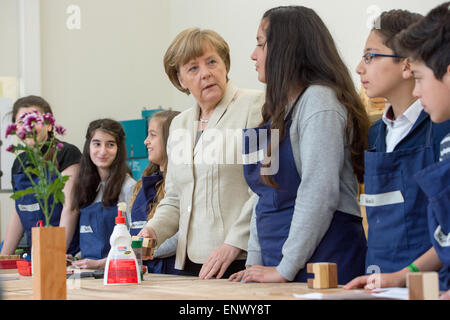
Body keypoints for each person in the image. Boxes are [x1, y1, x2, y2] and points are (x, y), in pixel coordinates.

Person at [229, 5, 370, 284]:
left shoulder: (320, 101)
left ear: (286, 48)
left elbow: (318, 191)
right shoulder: (276, 111)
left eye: (260, 44)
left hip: (323, 259)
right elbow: (262, 197)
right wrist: (255, 262)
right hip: (279, 261)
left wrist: (285, 267)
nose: (253, 55)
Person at [138, 27, 265, 279]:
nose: (206, 73)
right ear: (181, 80)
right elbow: (174, 197)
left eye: (211, 62)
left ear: (225, 65)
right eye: (193, 68)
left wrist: (235, 242)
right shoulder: (179, 124)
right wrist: (152, 231)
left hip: (239, 259)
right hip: (189, 262)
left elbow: (264, 187)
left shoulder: (255, 106)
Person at [345, 3, 450, 298]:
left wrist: (409, 275)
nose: (359, 68)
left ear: (407, 64)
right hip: (382, 278)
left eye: (370, 56)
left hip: (429, 284)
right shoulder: (376, 131)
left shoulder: (440, 126)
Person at [0, 95, 81, 257]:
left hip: (68, 256)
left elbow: (70, 208)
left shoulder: (66, 153)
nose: (27, 127)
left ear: (49, 125)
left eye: (34, 121)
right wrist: (3, 259)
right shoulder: (20, 163)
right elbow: (19, 213)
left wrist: (56, 256)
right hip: (35, 255)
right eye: (21, 122)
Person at [68, 119, 136, 269]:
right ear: (88, 147)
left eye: (110, 144)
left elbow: (134, 244)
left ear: (119, 149)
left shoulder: (128, 186)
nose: (103, 151)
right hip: (89, 275)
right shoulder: (84, 186)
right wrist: (76, 258)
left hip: (117, 273)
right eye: (97, 144)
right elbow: (93, 242)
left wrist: (100, 264)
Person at [129, 110, 183, 274]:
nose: (146, 141)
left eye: (153, 135)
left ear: (170, 140)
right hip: (143, 270)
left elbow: (181, 235)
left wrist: (141, 251)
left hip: (171, 273)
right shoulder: (142, 184)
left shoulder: (182, 182)